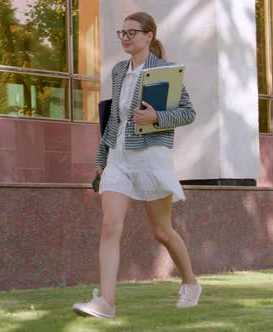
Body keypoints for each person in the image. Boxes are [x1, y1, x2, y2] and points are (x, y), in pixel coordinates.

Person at [72, 12, 201, 319]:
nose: (126, 37)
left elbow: (188, 113)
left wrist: (157, 118)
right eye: (122, 32)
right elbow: (114, 119)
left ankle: (191, 283)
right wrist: (102, 159)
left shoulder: (166, 71)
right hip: (119, 159)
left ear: (149, 37)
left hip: (151, 158)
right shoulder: (118, 71)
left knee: (162, 231)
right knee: (109, 226)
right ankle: (106, 302)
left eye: (132, 32)